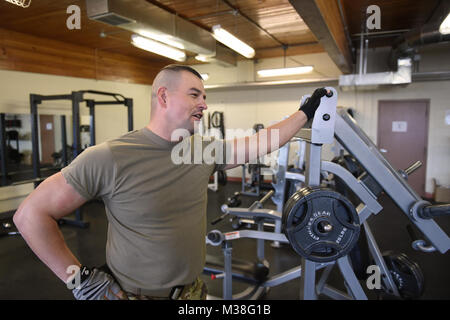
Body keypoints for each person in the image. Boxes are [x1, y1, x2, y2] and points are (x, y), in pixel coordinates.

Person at [13, 64, 329, 300]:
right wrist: (79, 280)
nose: (204, 104)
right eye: (195, 94)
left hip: (193, 292)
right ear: (163, 96)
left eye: (205, 96)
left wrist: (305, 112)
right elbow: (29, 215)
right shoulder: (108, 156)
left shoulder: (203, 150)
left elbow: (262, 141)